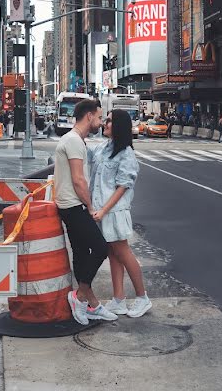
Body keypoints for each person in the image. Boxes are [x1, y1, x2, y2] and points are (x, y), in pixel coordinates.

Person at [54, 99, 117, 324]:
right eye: (99, 117)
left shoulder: (74, 140)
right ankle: (78, 296)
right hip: (73, 206)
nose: (100, 122)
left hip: (68, 205)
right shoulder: (73, 141)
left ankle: (93, 305)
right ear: (89, 116)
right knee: (100, 248)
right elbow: (78, 180)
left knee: (81, 255)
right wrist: (90, 207)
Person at [90, 110, 151, 318]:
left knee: (123, 253)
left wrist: (104, 210)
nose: (105, 124)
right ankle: (119, 299)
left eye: (109, 121)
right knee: (113, 254)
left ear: (119, 126)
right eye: (105, 120)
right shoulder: (102, 149)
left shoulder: (126, 154)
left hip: (114, 212)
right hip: (101, 210)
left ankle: (143, 298)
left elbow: (122, 187)